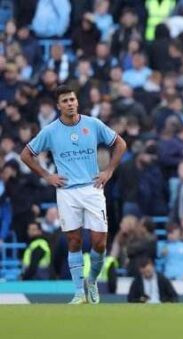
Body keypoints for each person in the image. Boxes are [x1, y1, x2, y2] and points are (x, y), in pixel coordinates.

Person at [20, 85, 127, 304]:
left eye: (72, 99)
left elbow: (120, 144)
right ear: (58, 106)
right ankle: (79, 292)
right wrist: (48, 176)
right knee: (74, 240)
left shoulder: (93, 124)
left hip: (92, 188)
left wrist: (109, 171)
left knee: (99, 243)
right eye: (65, 101)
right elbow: (26, 155)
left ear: (77, 102)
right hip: (67, 192)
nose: (70, 103)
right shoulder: (50, 131)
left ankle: (93, 281)